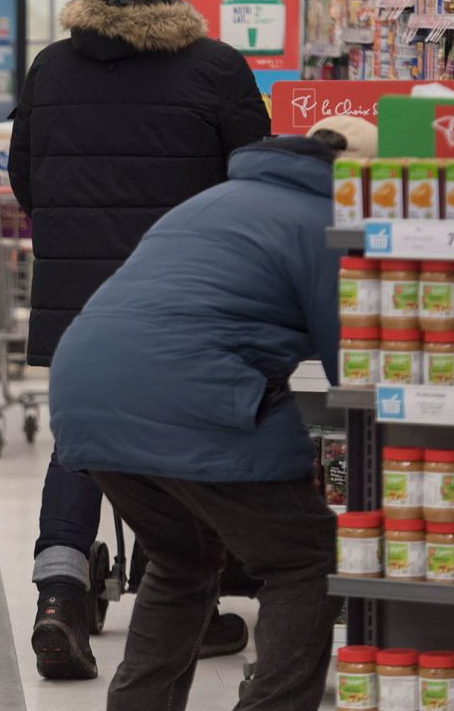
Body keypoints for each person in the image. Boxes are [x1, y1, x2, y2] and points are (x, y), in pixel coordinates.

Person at [6, 0, 270, 681]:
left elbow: (27, 182)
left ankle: (59, 595)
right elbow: (255, 184)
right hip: (182, 302)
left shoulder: (51, 67)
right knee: (177, 442)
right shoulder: (217, 69)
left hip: (78, 300)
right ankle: (179, 591)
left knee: (79, 440)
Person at [48, 116, 377, 711]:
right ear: (359, 178)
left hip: (86, 391)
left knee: (182, 561)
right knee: (305, 559)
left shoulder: (214, 200)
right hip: (189, 396)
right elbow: (356, 364)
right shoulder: (331, 222)